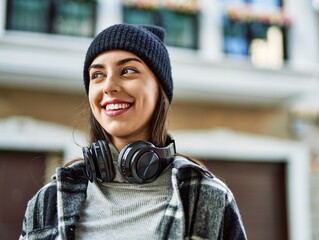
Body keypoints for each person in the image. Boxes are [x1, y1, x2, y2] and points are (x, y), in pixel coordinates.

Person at [19, 24, 247, 240]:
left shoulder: (208, 196)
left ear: (160, 89)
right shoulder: (47, 202)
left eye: (127, 71)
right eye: (97, 75)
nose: (108, 86)